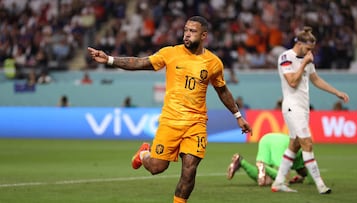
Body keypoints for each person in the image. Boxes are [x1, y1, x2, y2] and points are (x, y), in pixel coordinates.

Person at [88, 16, 252, 203]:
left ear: (204, 35)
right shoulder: (171, 53)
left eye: (192, 31)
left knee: (189, 171)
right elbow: (140, 63)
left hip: (196, 123)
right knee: (157, 167)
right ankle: (143, 154)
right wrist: (109, 59)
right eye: (186, 30)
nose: (187, 34)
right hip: (171, 121)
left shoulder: (214, 63)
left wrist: (238, 116)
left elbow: (222, 90)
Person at [272, 26, 349, 194]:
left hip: (303, 107)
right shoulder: (286, 57)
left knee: (295, 145)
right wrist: (304, 63)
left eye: (312, 50)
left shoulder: (306, 59)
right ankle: (320, 185)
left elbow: (315, 79)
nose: (310, 52)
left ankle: (278, 182)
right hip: (292, 106)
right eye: (308, 48)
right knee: (307, 142)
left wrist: (336, 92)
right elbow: (292, 81)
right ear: (299, 43)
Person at [227, 133, 309, 186]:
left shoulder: (300, 149)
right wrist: (302, 177)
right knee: (284, 181)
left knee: (266, 181)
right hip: (280, 144)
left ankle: (241, 161)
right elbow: (304, 173)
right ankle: (263, 166)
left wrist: (298, 178)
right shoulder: (302, 154)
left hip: (265, 139)